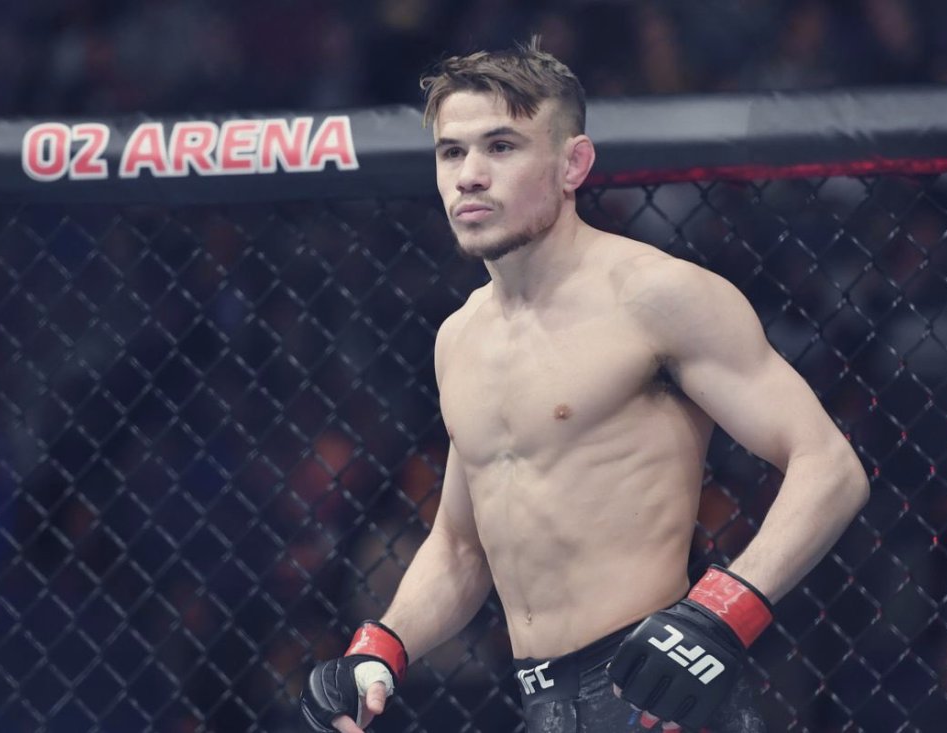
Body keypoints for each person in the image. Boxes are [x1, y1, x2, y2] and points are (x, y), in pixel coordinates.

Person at [300, 37, 869, 733]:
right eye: (452, 152)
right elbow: (461, 547)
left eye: (501, 147)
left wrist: (720, 615)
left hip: (661, 692)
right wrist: (381, 647)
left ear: (573, 163)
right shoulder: (460, 337)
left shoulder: (655, 295)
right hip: (541, 701)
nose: (470, 175)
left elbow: (829, 466)